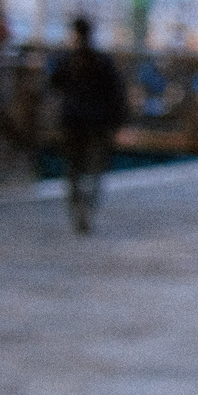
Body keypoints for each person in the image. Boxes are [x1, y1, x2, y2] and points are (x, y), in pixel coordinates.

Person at [46, 15, 127, 234]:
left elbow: (53, 84)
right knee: (94, 171)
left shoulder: (67, 59)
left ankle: (78, 208)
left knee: (73, 170)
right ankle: (86, 209)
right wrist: (118, 122)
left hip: (72, 122)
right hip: (97, 124)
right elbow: (116, 94)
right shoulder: (102, 61)